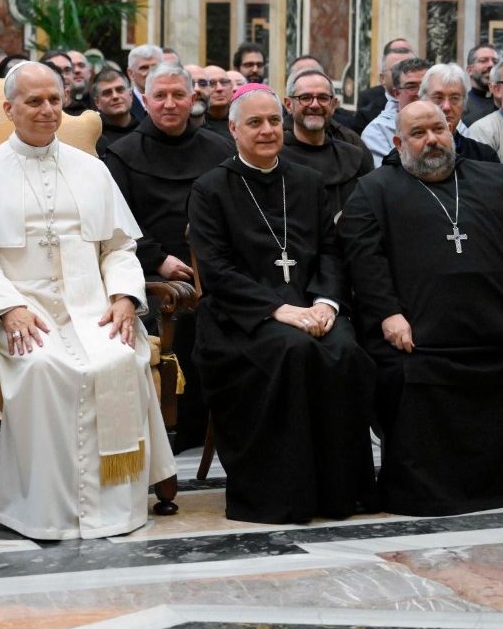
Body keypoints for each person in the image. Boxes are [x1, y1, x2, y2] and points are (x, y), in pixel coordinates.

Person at [0, 62, 176, 539]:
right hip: (18, 318)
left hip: (92, 311)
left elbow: (119, 246)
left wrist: (125, 296)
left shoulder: (93, 170)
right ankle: (40, 511)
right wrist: (9, 306)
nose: (47, 111)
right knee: (43, 369)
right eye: (34, 102)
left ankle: (116, 508)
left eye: (55, 101)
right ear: (9, 108)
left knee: (120, 358)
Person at [339, 101, 503, 515]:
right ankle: (431, 491)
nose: (432, 140)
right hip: (421, 333)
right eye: (418, 134)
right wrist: (388, 313)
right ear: (399, 142)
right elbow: (364, 259)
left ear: (452, 132)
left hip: (501, 325)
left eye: (438, 129)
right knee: (403, 373)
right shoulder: (374, 189)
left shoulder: (492, 177)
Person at [189, 84, 376, 523]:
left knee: (345, 350)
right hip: (240, 318)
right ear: (233, 129)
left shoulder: (308, 182)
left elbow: (332, 249)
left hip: (313, 306)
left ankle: (340, 494)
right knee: (292, 350)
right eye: (255, 123)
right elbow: (216, 270)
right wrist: (278, 310)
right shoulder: (210, 189)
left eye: (273, 120)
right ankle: (283, 496)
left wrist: (327, 303)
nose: (267, 130)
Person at [105, 64, 233, 452]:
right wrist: (158, 260)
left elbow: (234, 214)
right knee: (181, 314)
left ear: (193, 99)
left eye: (179, 95)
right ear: (145, 99)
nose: (169, 103)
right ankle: (174, 426)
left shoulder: (220, 150)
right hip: (146, 271)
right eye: (159, 95)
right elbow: (116, 225)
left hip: (215, 267)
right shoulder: (120, 155)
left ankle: (226, 422)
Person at [281, 70, 372, 216]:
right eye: (305, 97)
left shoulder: (355, 157)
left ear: (334, 104)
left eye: (323, 98)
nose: (315, 105)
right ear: (288, 105)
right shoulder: (274, 157)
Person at [361, 56, 429, 167]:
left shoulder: (450, 123)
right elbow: (386, 178)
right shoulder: (377, 132)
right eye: (411, 87)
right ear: (397, 93)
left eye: (425, 87)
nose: (420, 93)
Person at [353, 39, 414, 129]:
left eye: (409, 68)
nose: (403, 74)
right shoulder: (366, 115)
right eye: (396, 69)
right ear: (382, 78)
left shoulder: (429, 104)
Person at [91, 68, 138, 155]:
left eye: (120, 90)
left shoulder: (145, 131)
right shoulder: (92, 138)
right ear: (97, 102)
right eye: (107, 93)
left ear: (130, 95)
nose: (115, 96)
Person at [463, 44, 499, 125]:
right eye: (483, 60)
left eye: (495, 61)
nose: (491, 65)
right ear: (469, 70)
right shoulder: (461, 106)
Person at [126, 44, 161, 121]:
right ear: (131, 74)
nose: (151, 72)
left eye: (155, 67)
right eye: (144, 68)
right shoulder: (124, 107)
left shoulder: (172, 103)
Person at [201, 65, 233, 138]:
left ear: (232, 86)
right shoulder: (193, 123)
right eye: (211, 83)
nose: (219, 88)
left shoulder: (242, 120)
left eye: (224, 82)